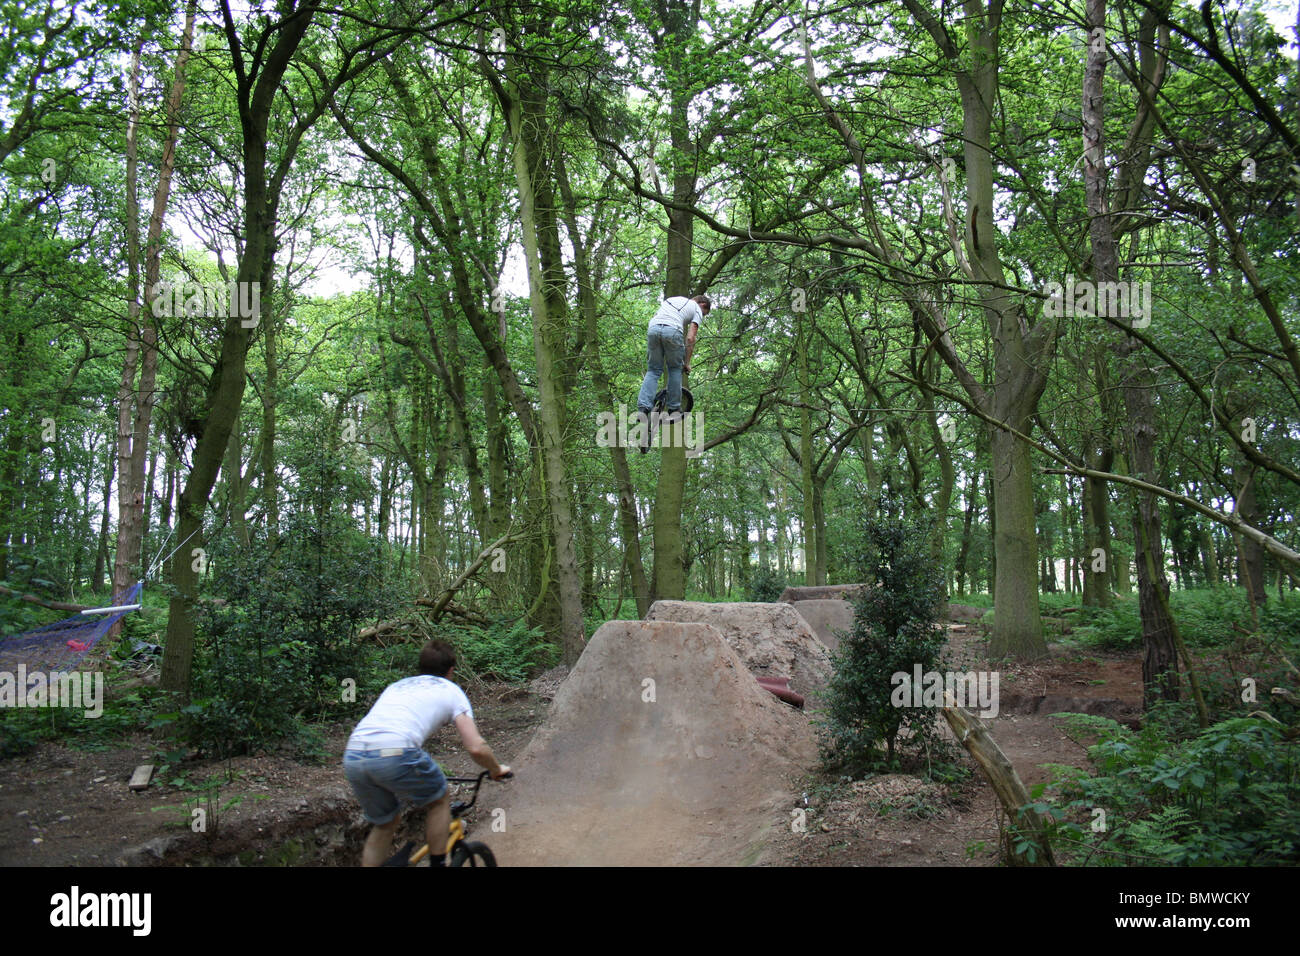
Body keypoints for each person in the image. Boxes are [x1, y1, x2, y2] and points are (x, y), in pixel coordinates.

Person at [342, 639, 510, 866]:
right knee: (439, 800)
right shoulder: (451, 690)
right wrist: (495, 769)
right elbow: (476, 747)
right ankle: (438, 863)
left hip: (353, 754)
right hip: (395, 751)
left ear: (420, 667)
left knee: (385, 822)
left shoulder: (397, 686)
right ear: (451, 671)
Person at [636, 293, 710, 422]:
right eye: (704, 314)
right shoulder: (697, 308)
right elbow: (691, 337)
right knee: (675, 369)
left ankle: (643, 408)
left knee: (653, 370)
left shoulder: (671, 300)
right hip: (673, 330)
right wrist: (686, 363)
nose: (702, 316)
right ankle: (674, 408)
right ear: (703, 305)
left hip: (653, 328)